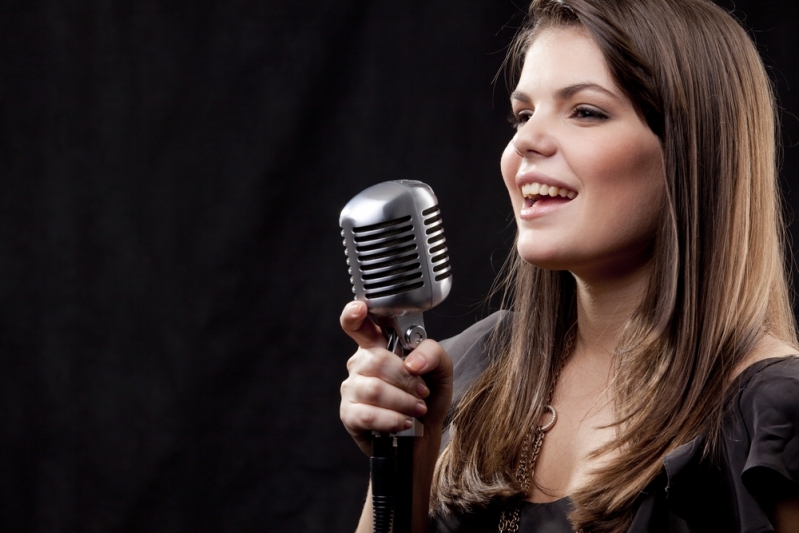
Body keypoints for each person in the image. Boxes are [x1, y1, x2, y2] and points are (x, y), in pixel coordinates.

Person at [339, 0, 799, 531]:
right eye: (524, 114)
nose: (524, 142)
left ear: (694, 148)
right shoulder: (475, 364)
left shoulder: (774, 414)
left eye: (585, 111)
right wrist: (405, 459)